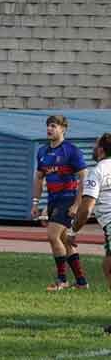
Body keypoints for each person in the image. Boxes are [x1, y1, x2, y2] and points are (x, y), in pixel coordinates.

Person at [31, 115, 88, 291]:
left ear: (63, 129)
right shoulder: (42, 151)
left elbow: (83, 176)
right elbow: (39, 178)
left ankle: (62, 280)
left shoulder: (71, 150)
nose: (49, 129)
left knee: (52, 236)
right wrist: (35, 202)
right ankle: (81, 282)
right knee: (64, 241)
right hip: (53, 200)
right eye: (48, 125)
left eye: (53, 126)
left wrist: (77, 204)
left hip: (67, 199)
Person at [68, 134, 111, 332]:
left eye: (95, 146)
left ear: (101, 150)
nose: (93, 149)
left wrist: (73, 230)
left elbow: (85, 209)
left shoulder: (99, 170)